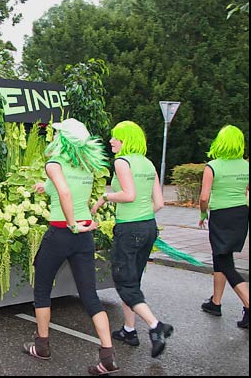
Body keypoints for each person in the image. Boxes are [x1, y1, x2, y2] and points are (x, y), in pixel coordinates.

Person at [24, 118, 119, 376]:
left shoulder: (55, 163)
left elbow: (66, 193)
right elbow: (73, 193)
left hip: (62, 232)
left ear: (62, 139)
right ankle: (107, 355)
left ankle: (41, 345)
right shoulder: (87, 166)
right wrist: (48, 187)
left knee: (42, 287)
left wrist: (71, 224)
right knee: (89, 295)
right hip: (84, 235)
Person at [91, 120, 173, 358]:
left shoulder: (121, 162)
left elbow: (128, 194)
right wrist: (141, 216)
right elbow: (159, 203)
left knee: (124, 282)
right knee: (133, 280)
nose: (111, 141)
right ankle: (129, 330)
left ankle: (156, 327)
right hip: (148, 226)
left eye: (115, 137)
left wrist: (105, 197)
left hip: (129, 230)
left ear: (125, 140)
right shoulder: (148, 163)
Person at [198, 125, 249, 329]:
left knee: (225, 262)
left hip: (221, 215)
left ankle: (247, 305)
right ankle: (215, 303)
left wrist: (203, 213)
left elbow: (204, 197)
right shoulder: (246, 166)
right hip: (240, 215)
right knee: (222, 256)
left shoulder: (213, 166)